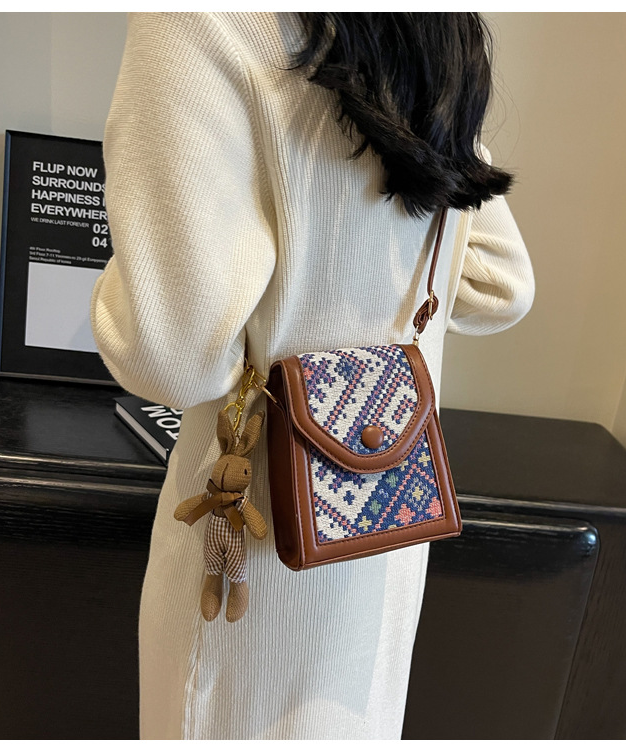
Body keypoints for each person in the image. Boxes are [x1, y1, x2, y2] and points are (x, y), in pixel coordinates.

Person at [90, 12, 535, 740]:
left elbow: (172, 354)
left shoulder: (201, 19)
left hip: (251, 576)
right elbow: (500, 284)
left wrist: (120, 280)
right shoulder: (433, 26)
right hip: (385, 535)